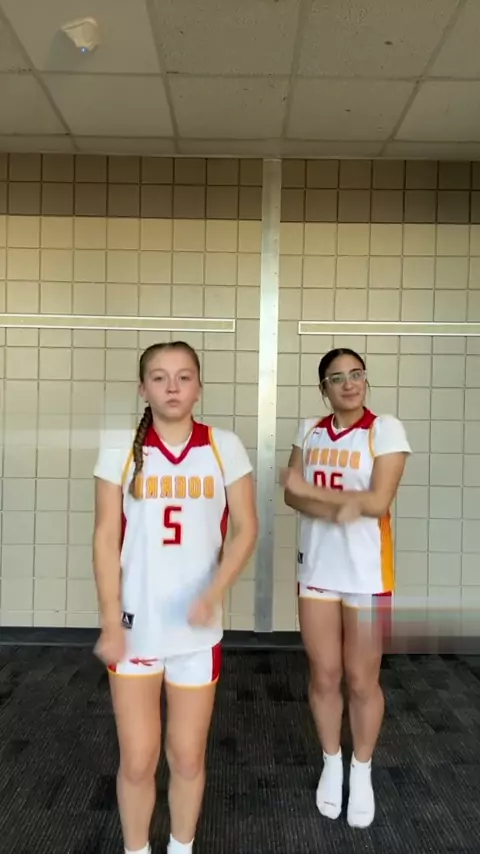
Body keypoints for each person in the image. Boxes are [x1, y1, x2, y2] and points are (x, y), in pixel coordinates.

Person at [92, 340, 258, 854]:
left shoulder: (223, 446)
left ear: (198, 387)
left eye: (184, 377)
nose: (172, 387)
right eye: (159, 377)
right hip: (135, 629)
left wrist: (213, 592)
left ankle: (181, 848)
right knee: (138, 760)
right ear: (142, 388)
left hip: (196, 634)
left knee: (187, 757)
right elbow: (105, 537)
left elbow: (247, 528)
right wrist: (110, 620)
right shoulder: (119, 447)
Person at [281, 347, 411, 829]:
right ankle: (332, 761)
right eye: (337, 378)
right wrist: (340, 506)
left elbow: (377, 502)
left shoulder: (385, 429)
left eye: (356, 374)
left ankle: (362, 769)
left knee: (361, 679)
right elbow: (291, 494)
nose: (349, 383)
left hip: (367, 574)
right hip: (317, 568)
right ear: (324, 388)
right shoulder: (309, 431)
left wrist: (317, 497)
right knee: (324, 674)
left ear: (365, 380)